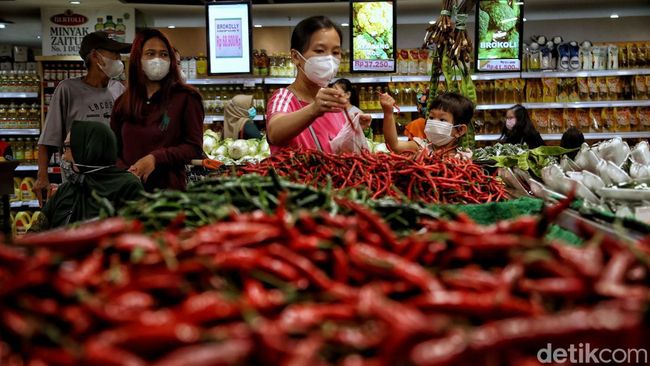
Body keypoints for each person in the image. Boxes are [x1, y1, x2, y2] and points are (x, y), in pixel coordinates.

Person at [34, 31, 131, 205]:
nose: (119, 59)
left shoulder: (119, 89)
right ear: (95, 56)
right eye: (114, 53)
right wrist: (42, 177)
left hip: (114, 182)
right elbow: (48, 139)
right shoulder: (68, 90)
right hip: (78, 185)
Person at [111, 28, 204, 192]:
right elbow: (113, 150)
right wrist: (126, 172)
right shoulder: (123, 102)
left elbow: (194, 148)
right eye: (150, 53)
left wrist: (156, 158)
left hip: (168, 197)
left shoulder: (186, 98)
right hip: (128, 194)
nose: (157, 60)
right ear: (137, 59)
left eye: (164, 54)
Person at [265, 16, 371, 154]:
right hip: (295, 176)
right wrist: (314, 109)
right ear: (296, 57)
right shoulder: (284, 97)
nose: (329, 59)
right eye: (320, 51)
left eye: (336, 52)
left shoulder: (332, 101)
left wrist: (352, 130)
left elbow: (336, 149)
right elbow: (274, 133)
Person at [35, 121, 143, 230]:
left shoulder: (128, 187)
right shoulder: (66, 189)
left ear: (88, 149)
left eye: (67, 147)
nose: (63, 156)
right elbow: (35, 233)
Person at [381, 92, 475, 156]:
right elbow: (394, 146)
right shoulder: (421, 146)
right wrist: (388, 113)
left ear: (460, 130)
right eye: (431, 117)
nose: (434, 122)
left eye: (442, 120)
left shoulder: (464, 156)